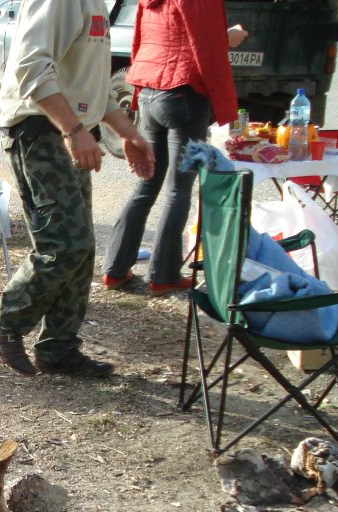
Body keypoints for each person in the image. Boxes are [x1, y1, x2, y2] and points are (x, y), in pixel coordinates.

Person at [0, 0, 155, 378]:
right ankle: (4, 320)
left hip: (68, 129)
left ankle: (58, 349)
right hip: (39, 131)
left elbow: (94, 88)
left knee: (81, 246)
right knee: (64, 244)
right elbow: (30, 68)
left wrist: (128, 134)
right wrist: (74, 130)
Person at [102, 3, 246, 296]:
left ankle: (115, 270)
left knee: (147, 182)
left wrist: (139, 93)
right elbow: (208, 48)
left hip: (150, 89)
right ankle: (163, 275)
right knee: (178, 189)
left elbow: (139, 41)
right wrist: (227, 39)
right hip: (184, 91)